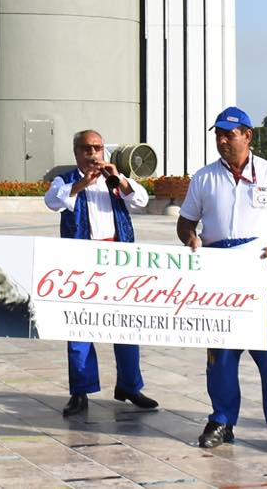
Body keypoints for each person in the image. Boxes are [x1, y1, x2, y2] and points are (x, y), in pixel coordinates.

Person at [176, 106, 267, 452]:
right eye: (218, 134)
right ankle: (222, 419)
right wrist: (190, 238)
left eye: (229, 134)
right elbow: (186, 222)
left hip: (262, 283)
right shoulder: (204, 178)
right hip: (219, 283)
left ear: (247, 136)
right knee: (220, 358)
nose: (222, 140)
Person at [44, 129, 159, 417]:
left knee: (126, 323)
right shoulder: (66, 179)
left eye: (97, 148)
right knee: (80, 325)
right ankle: (80, 391)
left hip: (118, 259)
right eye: (86, 149)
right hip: (82, 261)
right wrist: (82, 184)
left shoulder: (114, 179)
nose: (93, 154)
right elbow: (53, 201)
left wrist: (118, 178)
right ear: (77, 153)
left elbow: (141, 200)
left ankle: (130, 386)